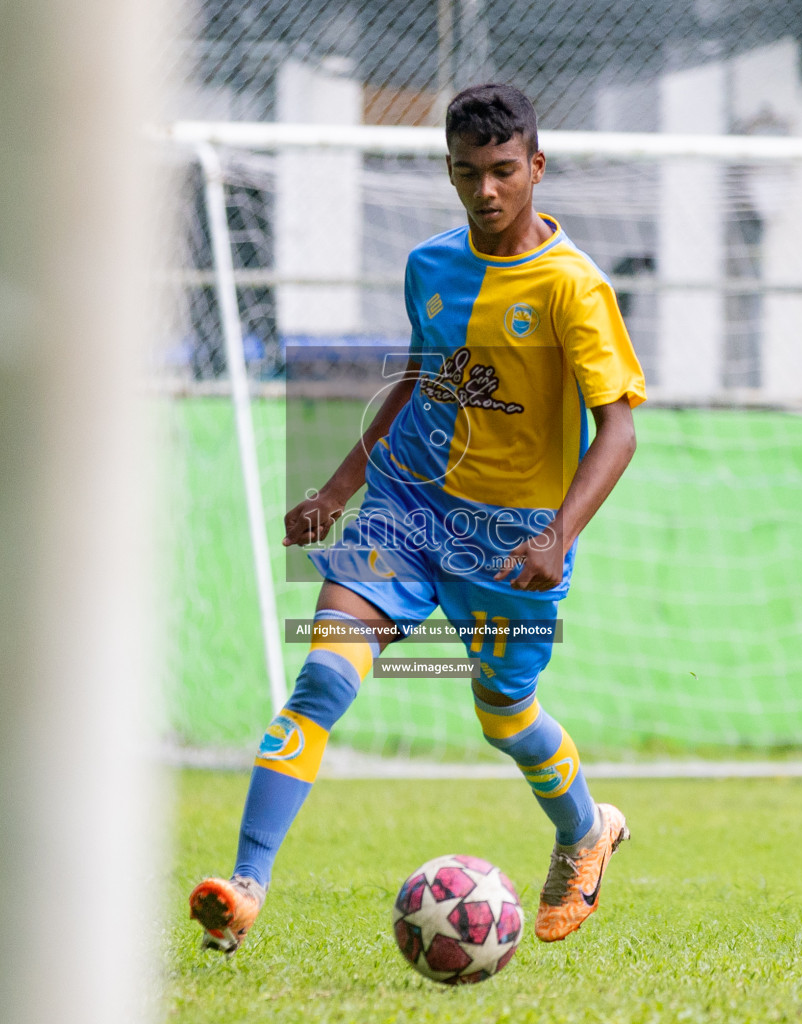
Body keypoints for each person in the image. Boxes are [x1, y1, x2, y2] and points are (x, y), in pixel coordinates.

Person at [190, 82, 646, 954]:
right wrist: (340, 485)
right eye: (469, 173)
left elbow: (618, 428)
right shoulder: (429, 266)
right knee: (324, 679)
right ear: (449, 170)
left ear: (536, 168)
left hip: (511, 539)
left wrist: (560, 535)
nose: (487, 191)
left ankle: (586, 830)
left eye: (505, 171)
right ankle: (245, 887)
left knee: (504, 715)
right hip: (407, 509)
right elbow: (419, 379)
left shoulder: (573, 290)